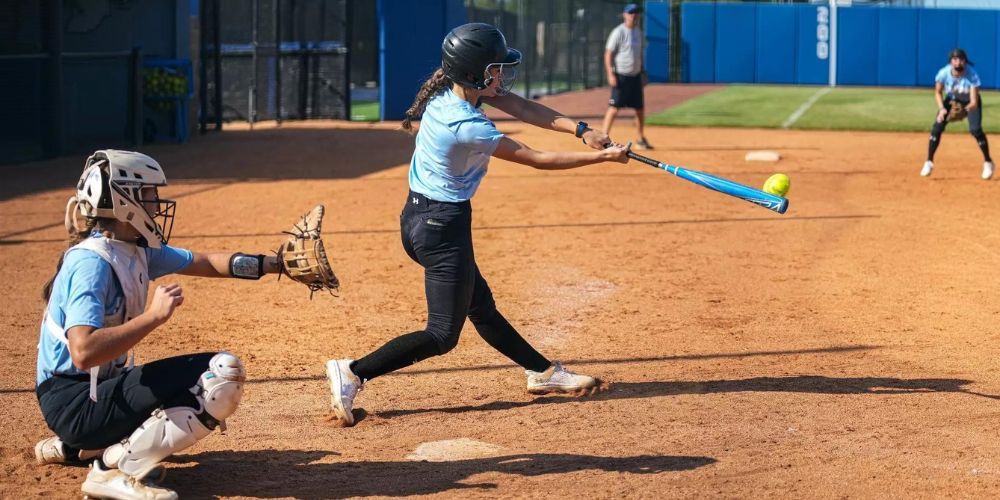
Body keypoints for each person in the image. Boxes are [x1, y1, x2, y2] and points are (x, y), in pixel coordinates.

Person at [324, 22, 630, 426]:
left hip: (421, 219)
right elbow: (536, 158)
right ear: (476, 73)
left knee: (481, 307)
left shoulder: (449, 95)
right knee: (441, 335)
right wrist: (601, 159)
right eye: (496, 68)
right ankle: (353, 371)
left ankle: (542, 373)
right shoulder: (467, 124)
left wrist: (582, 130)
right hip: (441, 229)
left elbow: (523, 107)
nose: (502, 75)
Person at [33, 150, 283, 499]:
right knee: (221, 374)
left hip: (94, 394)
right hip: (74, 401)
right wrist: (154, 317)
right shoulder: (92, 264)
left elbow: (208, 262)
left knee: (191, 381)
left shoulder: (134, 249)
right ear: (125, 200)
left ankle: (79, 449)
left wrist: (275, 265)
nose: (156, 203)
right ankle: (110, 471)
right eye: (150, 195)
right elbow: (83, 352)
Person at [921, 48, 994, 180]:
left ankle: (988, 162)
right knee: (937, 126)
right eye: (955, 59)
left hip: (970, 101)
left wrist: (964, 111)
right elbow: (938, 92)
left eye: (961, 59)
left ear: (965, 62)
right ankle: (929, 162)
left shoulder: (972, 75)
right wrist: (942, 108)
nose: (958, 62)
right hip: (952, 99)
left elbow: (973, 101)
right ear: (950, 62)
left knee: (976, 130)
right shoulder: (943, 73)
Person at [602, 3, 652, 150]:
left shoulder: (638, 32)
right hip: (621, 75)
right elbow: (608, 54)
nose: (633, 15)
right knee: (614, 108)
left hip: (635, 75)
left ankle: (641, 138)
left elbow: (640, 55)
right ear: (624, 14)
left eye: (636, 12)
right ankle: (603, 138)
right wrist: (610, 73)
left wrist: (643, 72)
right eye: (630, 13)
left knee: (640, 109)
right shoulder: (618, 32)